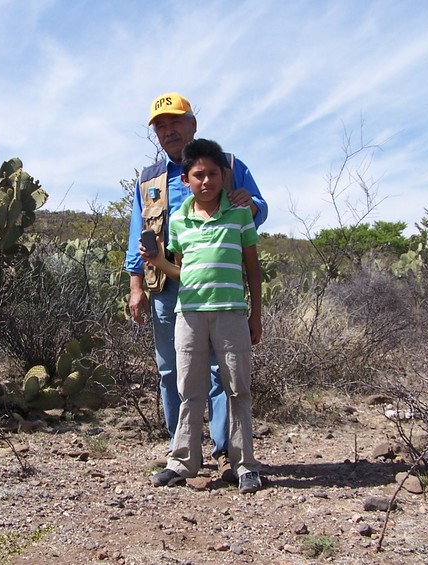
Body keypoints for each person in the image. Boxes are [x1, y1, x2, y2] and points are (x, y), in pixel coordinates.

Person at [124, 93, 268, 481]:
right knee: (174, 371)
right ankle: (182, 454)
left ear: (192, 124)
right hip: (171, 288)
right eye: (160, 126)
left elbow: (259, 208)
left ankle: (227, 453)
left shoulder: (227, 164)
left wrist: (249, 204)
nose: (169, 131)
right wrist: (136, 285)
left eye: (175, 122)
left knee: (226, 374)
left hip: (222, 293)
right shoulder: (148, 178)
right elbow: (140, 234)